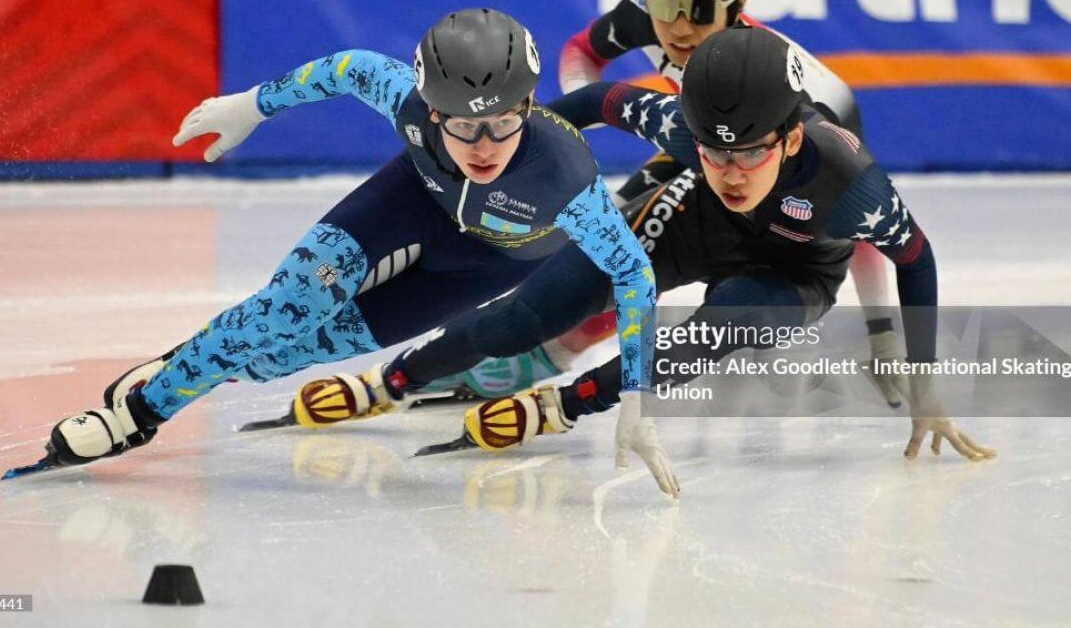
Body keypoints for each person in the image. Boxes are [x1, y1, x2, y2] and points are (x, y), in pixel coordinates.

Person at [30, 9, 659, 473]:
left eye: (504, 122)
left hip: (482, 264)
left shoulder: (566, 179)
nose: (486, 146)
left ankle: (197, 361)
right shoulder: (407, 102)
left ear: (527, 104)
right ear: (433, 111)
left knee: (286, 353)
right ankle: (137, 416)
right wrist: (253, 104)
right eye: (466, 127)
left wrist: (633, 391)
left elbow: (632, 275)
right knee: (289, 305)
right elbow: (346, 68)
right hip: (412, 200)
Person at [389, 27, 996, 496]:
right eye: (712, 151)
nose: (730, 171)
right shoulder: (684, 129)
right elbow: (598, 99)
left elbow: (916, 258)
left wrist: (925, 385)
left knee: (721, 324)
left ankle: (570, 405)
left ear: (787, 140)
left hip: (792, 273)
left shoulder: (852, 185)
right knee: (520, 320)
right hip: (695, 223)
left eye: (749, 154)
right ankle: (399, 376)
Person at [559, 0, 903, 394]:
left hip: (756, 165)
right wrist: (579, 135)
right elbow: (581, 53)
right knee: (606, 229)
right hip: (706, 141)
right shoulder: (644, 12)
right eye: (665, 3)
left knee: (678, 248)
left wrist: (883, 336)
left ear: (736, 4)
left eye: (699, 11)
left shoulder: (800, 98)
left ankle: (561, 348)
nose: (678, 28)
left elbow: (859, 222)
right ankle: (546, 339)